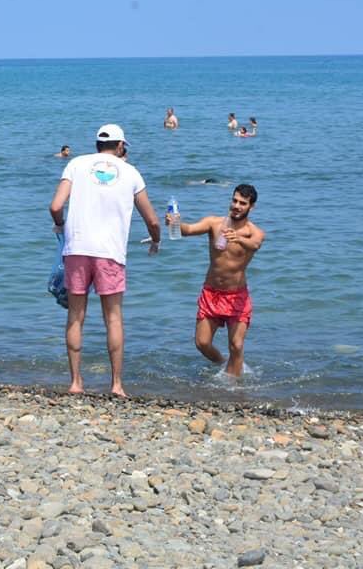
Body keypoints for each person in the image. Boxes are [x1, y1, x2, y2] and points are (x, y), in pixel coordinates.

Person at [49, 124, 161, 397]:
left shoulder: (76, 164)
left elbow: (55, 206)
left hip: (77, 249)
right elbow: (153, 220)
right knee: (113, 318)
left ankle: (76, 383)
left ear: (97, 144)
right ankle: (116, 385)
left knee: (76, 317)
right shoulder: (131, 172)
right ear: (121, 146)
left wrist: (61, 225)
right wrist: (156, 239)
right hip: (110, 253)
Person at [166, 185, 264, 377]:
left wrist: (238, 238)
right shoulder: (214, 223)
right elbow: (188, 230)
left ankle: (233, 387)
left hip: (237, 296)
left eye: (242, 203)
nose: (236, 206)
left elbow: (256, 244)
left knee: (236, 345)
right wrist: (176, 223)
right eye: (234, 200)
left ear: (251, 207)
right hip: (211, 293)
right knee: (202, 343)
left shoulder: (254, 232)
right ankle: (224, 364)